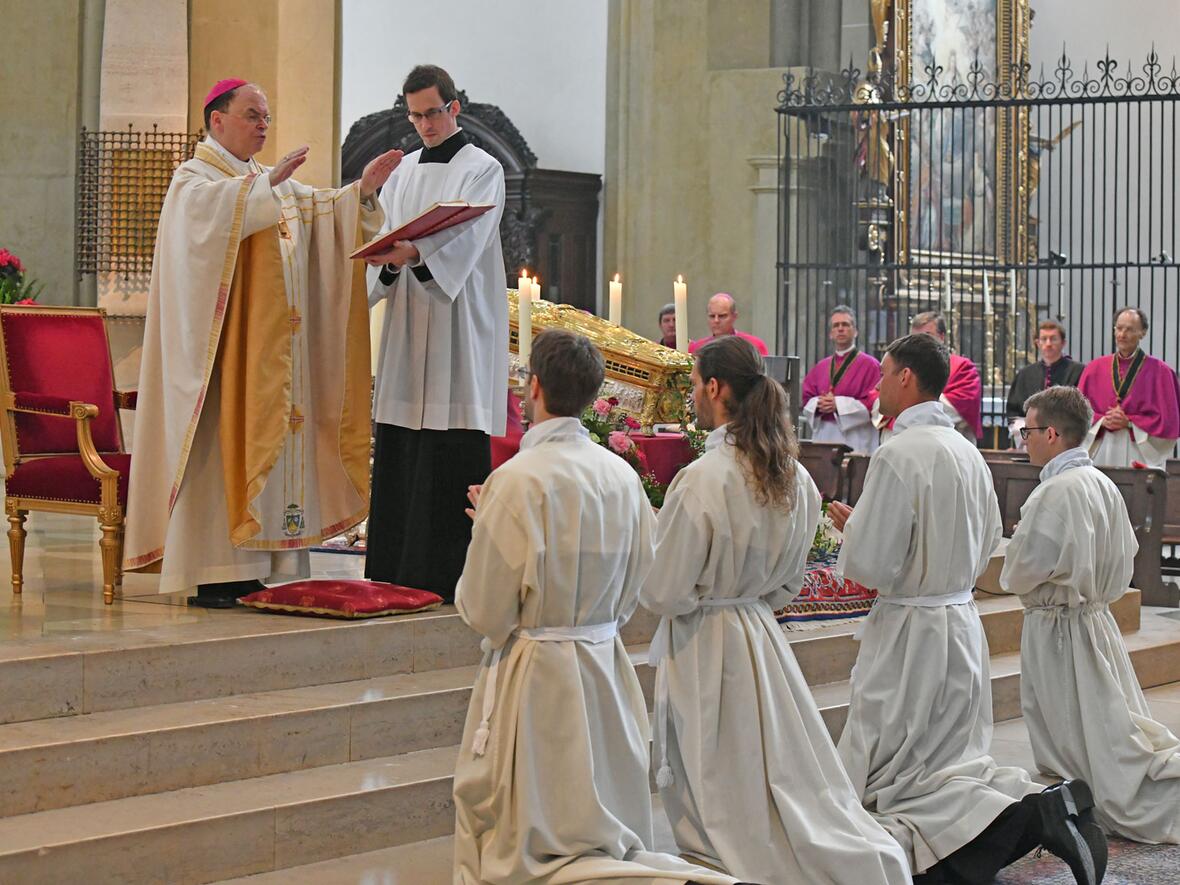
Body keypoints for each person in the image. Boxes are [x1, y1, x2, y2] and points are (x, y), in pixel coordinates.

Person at [452, 329, 740, 885]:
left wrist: (488, 526)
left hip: (537, 673)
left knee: (536, 826)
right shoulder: (622, 475)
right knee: (600, 807)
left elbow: (486, 611)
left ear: (531, 386)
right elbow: (641, 575)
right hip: (604, 662)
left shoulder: (513, 481)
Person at [828, 333, 1107, 885]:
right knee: (948, 764)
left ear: (906, 378)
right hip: (958, 621)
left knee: (901, 781)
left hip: (911, 633)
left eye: (882, 375)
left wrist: (852, 529)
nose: (876, 386)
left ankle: (1032, 813)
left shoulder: (899, 453)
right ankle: (1040, 811)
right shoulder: (966, 451)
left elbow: (873, 564)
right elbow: (986, 546)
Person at [640, 335, 910, 883]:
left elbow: (664, 590)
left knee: (715, 770)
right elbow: (792, 581)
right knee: (766, 760)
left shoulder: (702, 479)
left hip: (705, 637)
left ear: (714, 388)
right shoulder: (795, 475)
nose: (693, 393)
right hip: (760, 631)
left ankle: (724, 859)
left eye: (695, 383)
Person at [123, 79, 400, 607]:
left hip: (269, 363)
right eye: (252, 115)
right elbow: (200, 243)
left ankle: (258, 568)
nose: (263, 125)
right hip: (222, 365)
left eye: (266, 116)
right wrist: (258, 190)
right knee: (220, 457)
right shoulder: (194, 181)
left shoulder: (265, 180)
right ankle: (216, 570)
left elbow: (323, 215)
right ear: (217, 120)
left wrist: (361, 192)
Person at [1001, 385, 1180, 844]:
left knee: (1075, 731)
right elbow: (1126, 559)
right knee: (1100, 725)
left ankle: (1077, 805)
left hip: (1058, 628)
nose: (1026, 438)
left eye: (1030, 429)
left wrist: (1022, 538)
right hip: (1093, 619)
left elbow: (1020, 573)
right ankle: (1077, 799)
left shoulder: (1055, 493)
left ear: (1054, 433)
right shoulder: (1101, 483)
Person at [363, 64, 508, 601]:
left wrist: (417, 253)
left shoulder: (482, 168)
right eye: (415, 114)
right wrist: (389, 258)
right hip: (406, 321)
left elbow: (467, 240)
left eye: (432, 112)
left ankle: (448, 575)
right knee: (402, 444)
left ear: (454, 108)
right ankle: (394, 569)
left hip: (456, 326)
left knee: (450, 449)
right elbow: (382, 234)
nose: (423, 124)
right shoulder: (402, 173)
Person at [1076, 306, 1180, 468]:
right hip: (1101, 447)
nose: (1122, 334)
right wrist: (1102, 420)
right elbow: (1077, 412)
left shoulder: (1161, 372)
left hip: (1137, 448)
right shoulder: (1094, 368)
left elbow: (1169, 421)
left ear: (1143, 332)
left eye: (1129, 330)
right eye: (1119, 328)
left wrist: (1130, 423)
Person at [877, 311, 982, 444]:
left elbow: (960, 405)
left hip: (945, 442)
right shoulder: (898, 365)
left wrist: (902, 402)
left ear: (942, 336)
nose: (920, 342)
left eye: (927, 335)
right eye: (914, 337)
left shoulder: (962, 366)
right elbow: (878, 399)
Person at [800, 304, 881, 453]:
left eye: (845, 324)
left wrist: (838, 405)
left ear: (855, 331)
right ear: (831, 333)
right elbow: (805, 400)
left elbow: (875, 403)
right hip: (825, 437)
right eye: (836, 325)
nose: (840, 329)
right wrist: (818, 404)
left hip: (857, 439)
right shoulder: (821, 366)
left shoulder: (871, 365)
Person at [1006, 320, 1085, 449]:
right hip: (1030, 442)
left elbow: (1080, 410)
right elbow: (1014, 410)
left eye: (1053, 339)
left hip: (1065, 441)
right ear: (1037, 343)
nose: (1048, 344)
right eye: (1044, 339)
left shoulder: (1078, 371)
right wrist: (1024, 432)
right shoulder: (1025, 374)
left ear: (1063, 343)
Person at [687, 293, 769, 356]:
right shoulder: (697, 348)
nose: (716, 320)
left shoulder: (754, 345)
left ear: (734, 316)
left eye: (722, 316)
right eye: (712, 316)